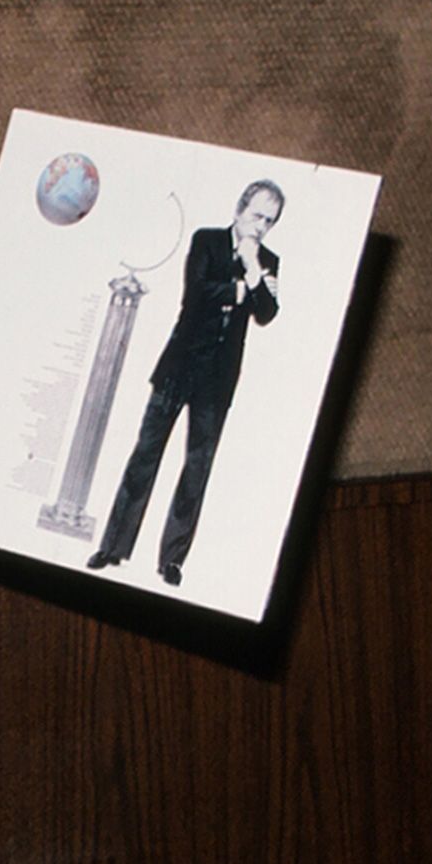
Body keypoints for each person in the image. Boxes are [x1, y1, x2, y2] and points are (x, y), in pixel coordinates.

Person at [88, 179, 282, 585]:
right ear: (239, 208)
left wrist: (251, 268)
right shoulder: (206, 240)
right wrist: (247, 286)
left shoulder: (268, 260)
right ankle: (113, 546)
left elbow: (266, 314)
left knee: (198, 466)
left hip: (219, 379)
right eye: (256, 215)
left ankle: (172, 560)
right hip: (178, 366)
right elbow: (195, 295)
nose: (261, 226)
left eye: (269, 220)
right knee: (145, 455)